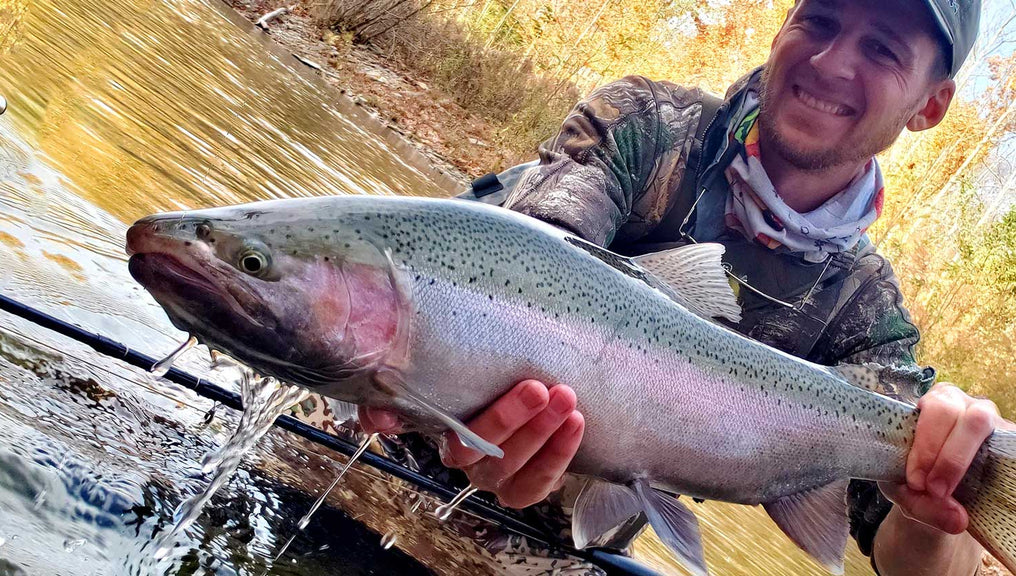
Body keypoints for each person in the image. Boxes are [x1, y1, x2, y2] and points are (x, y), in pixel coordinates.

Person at [363, 0, 1013, 573]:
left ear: (930, 104)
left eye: (881, 49)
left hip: (560, 542)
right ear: (786, 23)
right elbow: (536, 244)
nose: (830, 59)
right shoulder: (641, 119)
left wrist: (940, 495)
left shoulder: (865, 315)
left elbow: (913, 564)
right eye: (819, 18)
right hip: (397, 431)